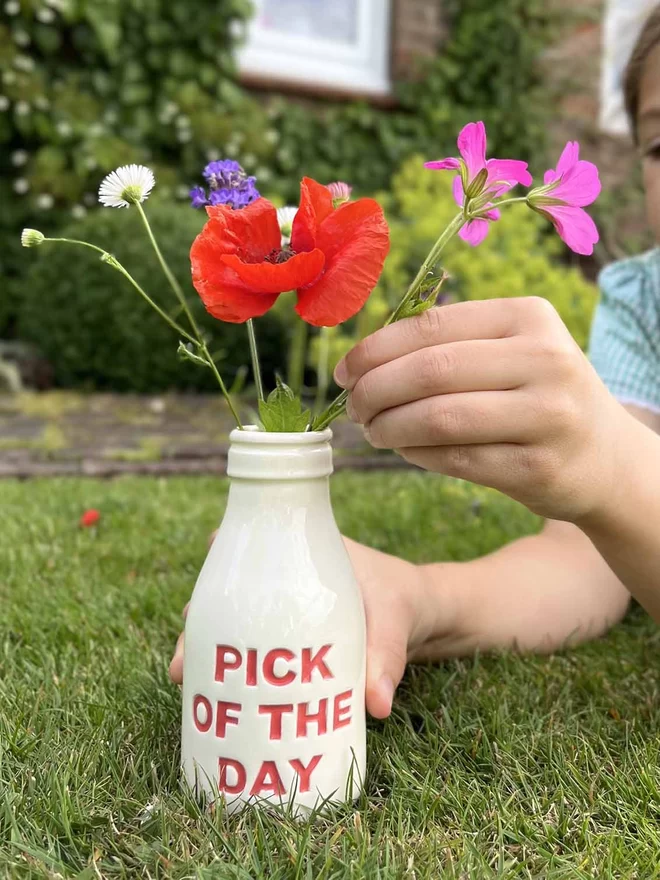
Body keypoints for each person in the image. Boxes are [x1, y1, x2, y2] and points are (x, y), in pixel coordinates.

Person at [170, 7, 660, 721]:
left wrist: (613, 459)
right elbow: (587, 563)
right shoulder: (640, 301)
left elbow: (622, 486)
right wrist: (419, 594)